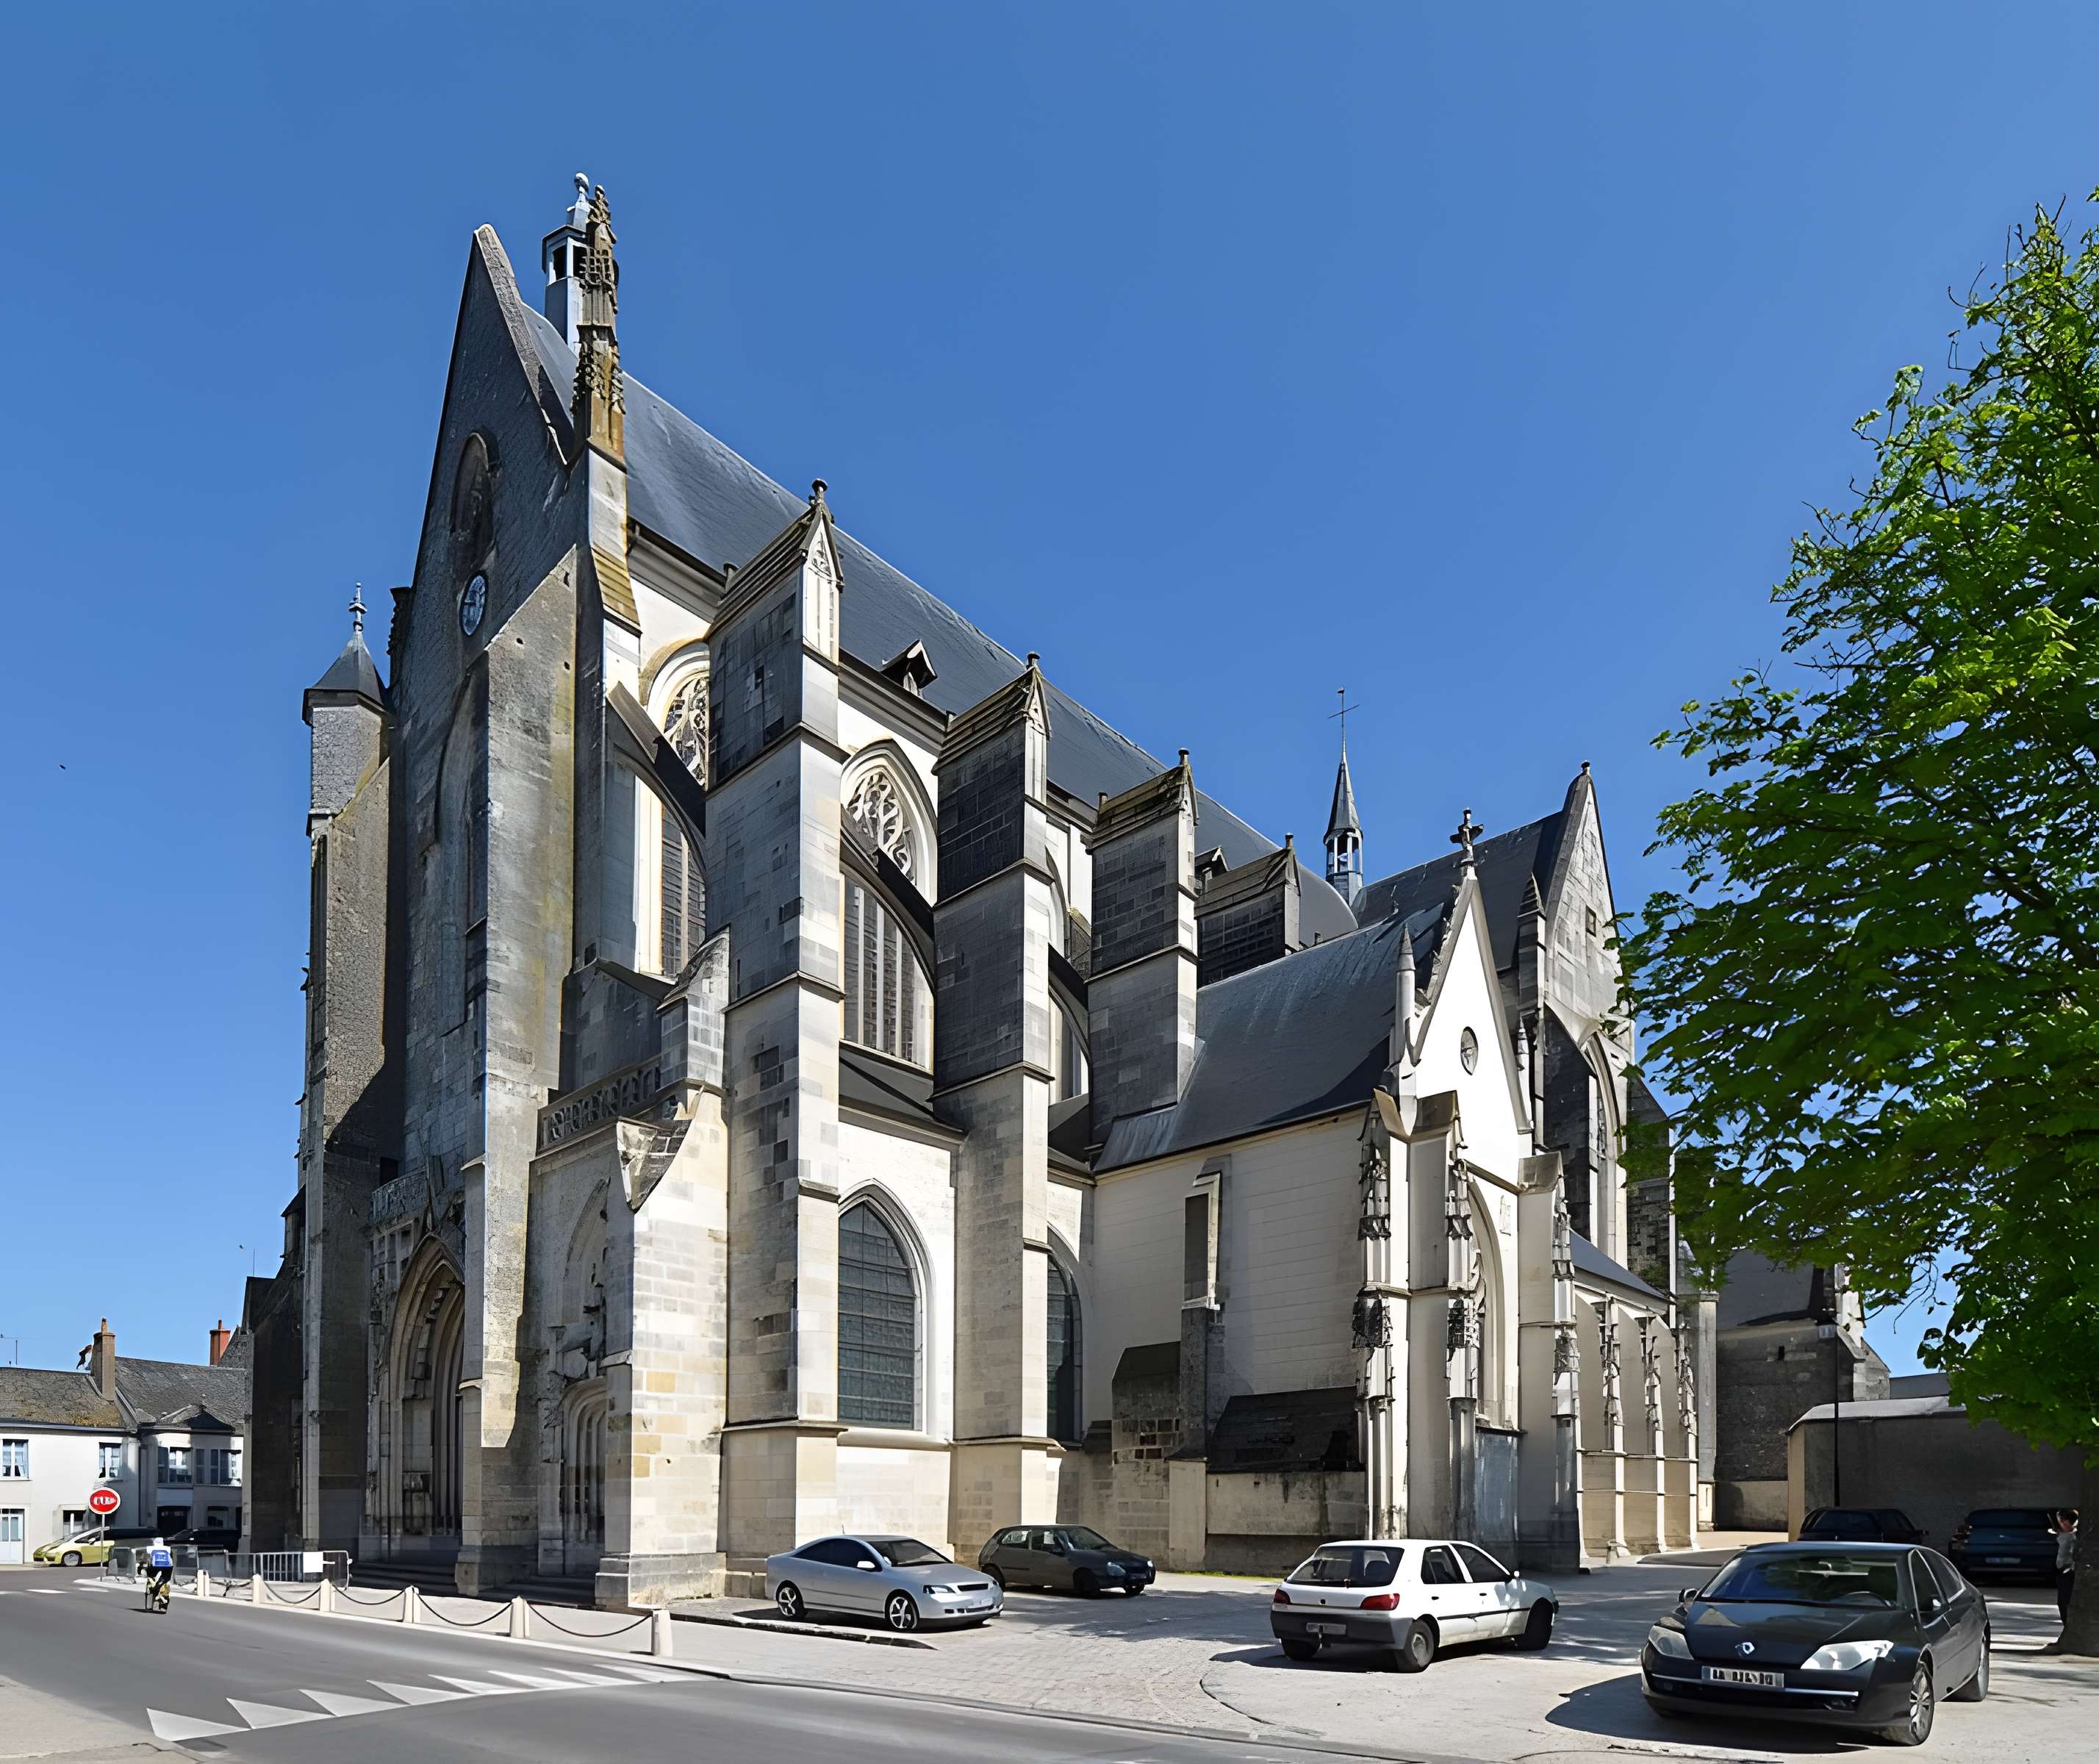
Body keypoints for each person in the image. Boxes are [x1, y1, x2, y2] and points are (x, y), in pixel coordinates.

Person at [2057, 1509, 2079, 1630]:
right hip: (2063, 1571)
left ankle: (2069, 1626)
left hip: (2068, 1571)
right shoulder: (2065, 1535)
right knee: (2062, 1602)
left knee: (2064, 1602)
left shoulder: (2072, 1537)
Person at [144, 1535, 173, 1609]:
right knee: (166, 1578)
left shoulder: (150, 1548)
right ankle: (162, 1590)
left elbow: (145, 1558)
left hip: (155, 1565)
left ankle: (152, 1587)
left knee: (151, 1575)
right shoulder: (168, 1548)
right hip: (168, 1566)